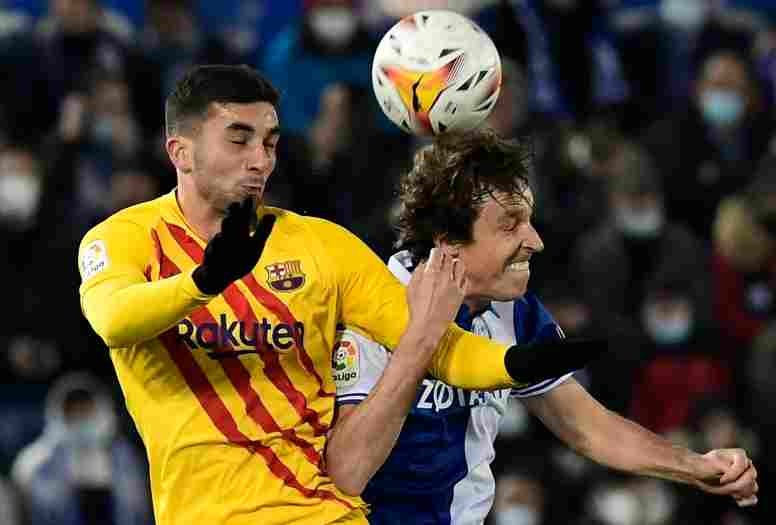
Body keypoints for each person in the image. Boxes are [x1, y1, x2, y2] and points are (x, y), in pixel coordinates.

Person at [75, 64, 594, 525]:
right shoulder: (123, 239)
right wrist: (203, 282)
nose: (260, 160)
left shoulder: (322, 246)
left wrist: (518, 362)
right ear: (180, 152)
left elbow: (432, 343)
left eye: (271, 142)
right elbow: (113, 318)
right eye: (239, 139)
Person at [328, 128, 759, 524]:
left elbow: (588, 427)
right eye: (510, 224)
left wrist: (696, 466)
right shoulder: (368, 310)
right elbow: (346, 472)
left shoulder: (515, 313)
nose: (535, 241)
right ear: (448, 240)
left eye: (529, 220)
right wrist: (420, 342)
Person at [10, 372, 152, 525]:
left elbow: (139, 511)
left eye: (85, 409)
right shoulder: (34, 462)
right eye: (73, 411)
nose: (80, 417)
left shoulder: (125, 457)